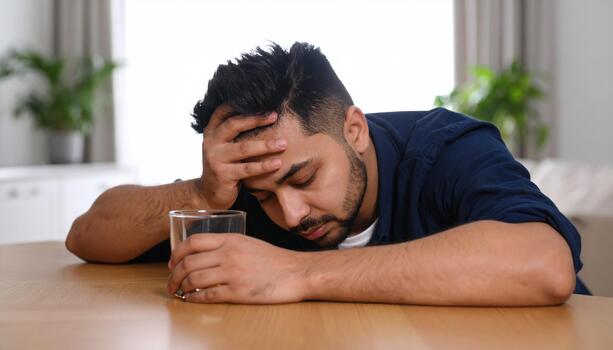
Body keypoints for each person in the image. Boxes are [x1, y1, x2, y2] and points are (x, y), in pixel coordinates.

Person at [66, 42, 588, 306]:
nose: (290, 214)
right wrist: (202, 193)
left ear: (354, 129)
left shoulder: (446, 147)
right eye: (264, 195)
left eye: (303, 177)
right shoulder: (246, 182)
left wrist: (295, 274)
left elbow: (545, 265)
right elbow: (87, 235)